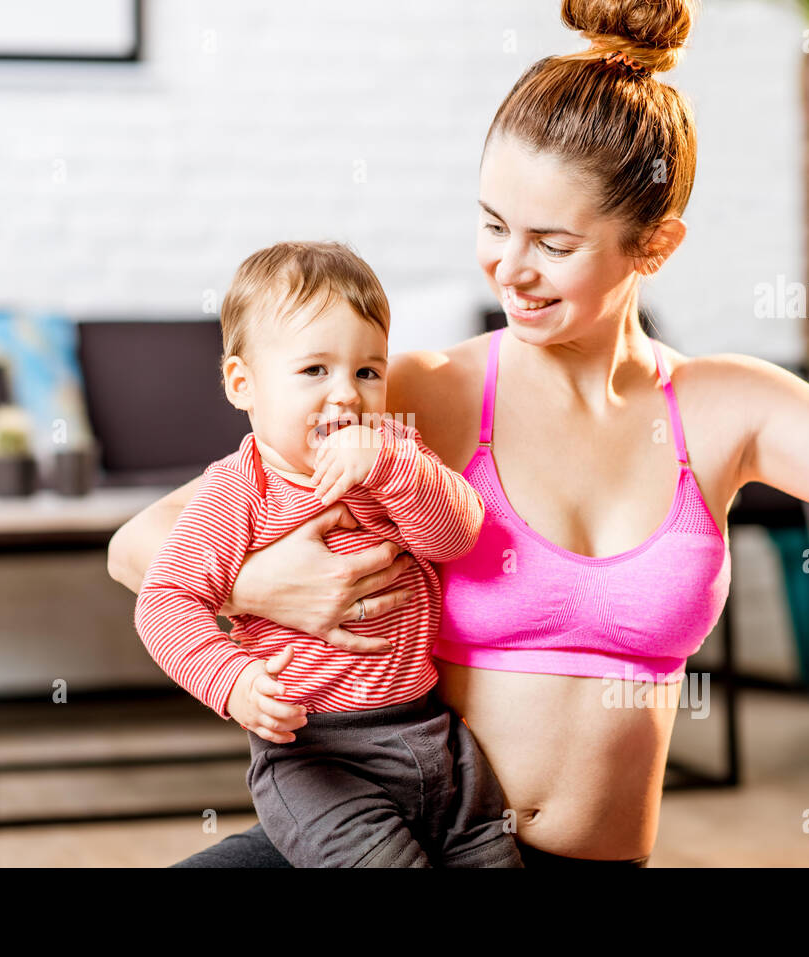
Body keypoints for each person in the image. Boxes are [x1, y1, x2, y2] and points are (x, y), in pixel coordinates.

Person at [108, 0, 809, 868]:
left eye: (553, 242)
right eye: (494, 225)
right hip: (393, 837)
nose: (510, 267)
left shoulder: (723, 408)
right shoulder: (430, 391)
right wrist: (266, 586)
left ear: (653, 245)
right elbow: (140, 545)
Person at [135, 239, 522, 867]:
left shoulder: (395, 453)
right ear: (243, 384)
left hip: (436, 739)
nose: (346, 394)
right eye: (315, 371)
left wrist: (391, 465)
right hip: (318, 759)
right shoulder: (239, 491)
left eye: (367, 371)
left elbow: (457, 534)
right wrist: (231, 681)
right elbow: (165, 601)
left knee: (492, 856)